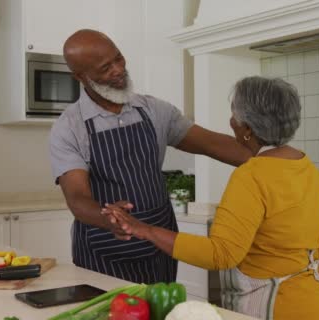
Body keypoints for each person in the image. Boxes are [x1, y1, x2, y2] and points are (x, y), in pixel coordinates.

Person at [103, 76, 319, 320]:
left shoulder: (252, 174)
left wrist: (146, 230)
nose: (231, 121)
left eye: (234, 116)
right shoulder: (306, 165)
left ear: (248, 129)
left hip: (278, 307)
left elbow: (221, 254)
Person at [49, 29, 251, 284]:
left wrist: (273, 158)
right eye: (105, 68)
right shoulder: (70, 127)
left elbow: (214, 144)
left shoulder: (154, 111)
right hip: (105, 250)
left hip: (160, 246)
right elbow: (77, 198)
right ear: (81, 76)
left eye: (118, 58)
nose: (118, 69)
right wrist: (108, 218)